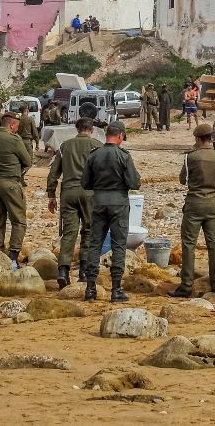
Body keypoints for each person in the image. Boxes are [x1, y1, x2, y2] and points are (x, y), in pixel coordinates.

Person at [80, 121, 141, 302]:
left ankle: (90, 288)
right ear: (120, 136)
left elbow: (85, 183)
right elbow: (134, 183)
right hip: (119, 204)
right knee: (118, 245)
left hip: (98, 202)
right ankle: (116, 290)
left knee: (94, 244)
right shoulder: (124, 156)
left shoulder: (94, 155)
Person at [170, 123, 215, 298]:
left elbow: (182, 180)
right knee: (213, 244)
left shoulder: (190, 158)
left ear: (198, 139)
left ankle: (186, 286)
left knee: (189, 244)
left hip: (194, 203)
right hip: (212, 203)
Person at [47, 117, 102, 288]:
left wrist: (51, 195)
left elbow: (53, 172)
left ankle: (63, 270)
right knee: (89, 231)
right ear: (91, 130)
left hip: (69, 192)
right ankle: (84, 271)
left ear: (77, 129)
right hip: (90, 193)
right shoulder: (98, 146)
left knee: (69, 233)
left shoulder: (65, 146)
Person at [0, 112, 33, 262]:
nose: (17, 129)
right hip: (10, 183)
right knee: (18, 221)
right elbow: (27, 160)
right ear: (12, 125)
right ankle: (13, 256)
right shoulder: (14, 139)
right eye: (16, 126)